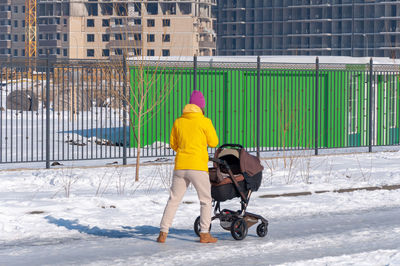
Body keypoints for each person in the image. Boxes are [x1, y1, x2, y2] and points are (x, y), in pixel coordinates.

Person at [157, 90, 219, 243]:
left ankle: (163, 233)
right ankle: (204, 234)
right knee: (205, 200)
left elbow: (173, 144)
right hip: (197, 166)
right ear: (202, 106)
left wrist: (185, 149)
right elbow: (214, 142)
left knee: (173, 199)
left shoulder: (178, 121)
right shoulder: (205, 121)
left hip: (180, 166)